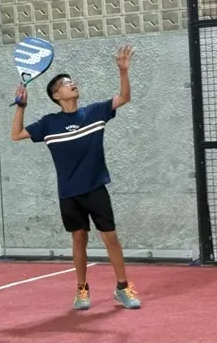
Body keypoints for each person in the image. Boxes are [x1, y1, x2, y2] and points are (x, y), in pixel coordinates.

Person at [11, 44, 141, 311]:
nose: (72, 84)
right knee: (79, 239)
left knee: (110, 238)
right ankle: (82, 290)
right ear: (56, 95)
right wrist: (21, 106)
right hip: (69, 193)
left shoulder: (94, 112)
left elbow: (124, 97)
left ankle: (122, 287)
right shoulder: (48, 124)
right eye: (65, 83)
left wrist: (123, 71)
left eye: (72, 81)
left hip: (96, 188)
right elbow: (16, 134)